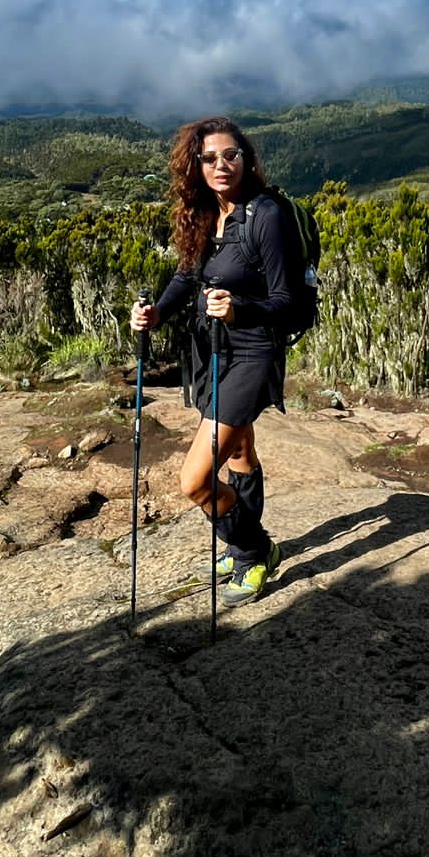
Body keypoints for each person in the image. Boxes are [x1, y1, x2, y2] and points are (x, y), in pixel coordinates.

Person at [130, 117, 292, 603]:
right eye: (209, 158)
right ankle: (247, 540)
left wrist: (242, 308)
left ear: (247, 159)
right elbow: (188, 276)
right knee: (239, 451)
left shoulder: (267, 215)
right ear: (195, 166)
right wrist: (157, 310)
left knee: (194, 479)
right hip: (212, 351)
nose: (222, 165)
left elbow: (288, 301)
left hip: (253, 352)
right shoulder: (206, 213)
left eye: (231, 155)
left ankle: (253, 548)